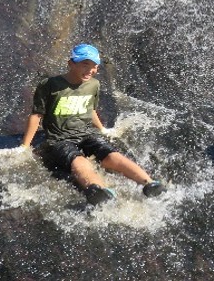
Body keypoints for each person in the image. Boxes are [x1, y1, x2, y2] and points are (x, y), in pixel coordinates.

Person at [11, 43, 165, 205]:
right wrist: (25, 146)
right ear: (71, 63)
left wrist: (102, 129)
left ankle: (149, 183)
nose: (90, 70)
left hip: (86, 134)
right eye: (85, 64)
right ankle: (97, 189)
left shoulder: (93, 85)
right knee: (79, 161)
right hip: (60, 138)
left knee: (112, 156)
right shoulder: (50, 85)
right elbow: (36, 115)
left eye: (94, 66)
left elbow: (90, 109)